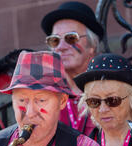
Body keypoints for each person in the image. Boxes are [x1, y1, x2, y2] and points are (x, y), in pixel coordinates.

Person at [41, 1, 104, 135]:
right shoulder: (46, 95)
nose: (61, 47)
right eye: (55, 40)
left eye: (71, 38)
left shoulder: (114, 91)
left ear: (92, 45)